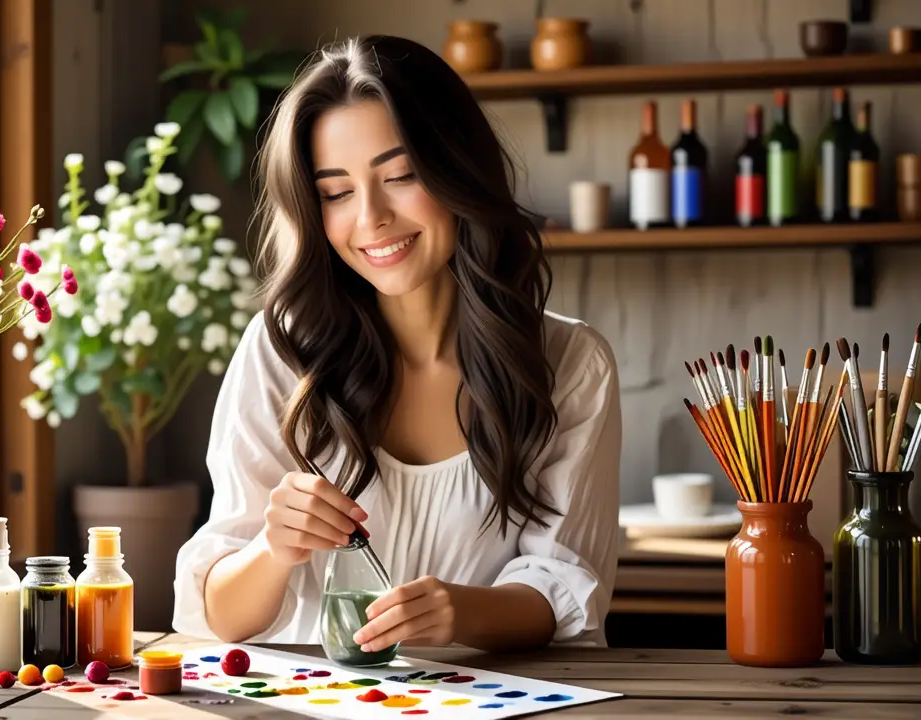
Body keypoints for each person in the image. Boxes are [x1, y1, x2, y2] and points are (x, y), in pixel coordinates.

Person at [172, 35, 621, 653]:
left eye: (402, 175)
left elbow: (565, 588)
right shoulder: (282, 354)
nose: (371, 217)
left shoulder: (569, 363)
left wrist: (457, 612)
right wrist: (274, 547)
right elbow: (221, 615)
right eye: (336, 192)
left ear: (458, 171)